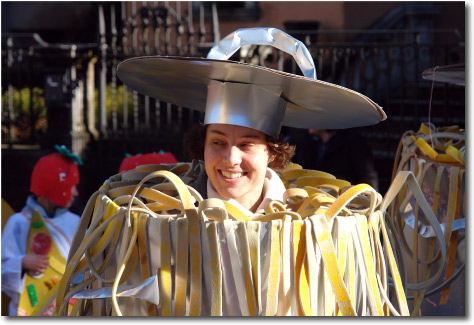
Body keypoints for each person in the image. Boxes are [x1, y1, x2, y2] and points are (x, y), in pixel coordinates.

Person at [117, 27, 387, 214]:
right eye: (218, 142)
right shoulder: (158, 215)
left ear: (271, 152)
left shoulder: (313, 221)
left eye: (246, 145)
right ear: (203, 144)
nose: (230, 158)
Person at [1, 145, 82, 316]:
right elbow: (2, 267)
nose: (75, 193)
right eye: (71, 186)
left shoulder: (77, 223)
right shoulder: (19, 223)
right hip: (29, 309)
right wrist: (22, 262)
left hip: (68, 310)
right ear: (55, 188)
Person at [285, 128, 379, 191]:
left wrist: (370, 199)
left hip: (343, 199)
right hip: (315, 198)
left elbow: (367, 174)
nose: (310, 120)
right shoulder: (309, 142)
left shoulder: (352, 142)